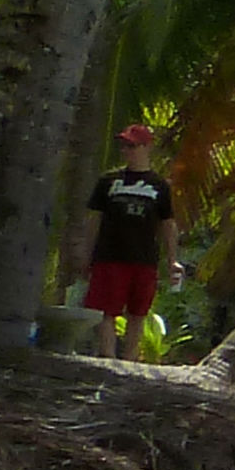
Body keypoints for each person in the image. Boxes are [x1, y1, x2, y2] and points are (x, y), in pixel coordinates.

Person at [76, 124, 179, 359]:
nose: (126, 150)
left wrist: (173, 260)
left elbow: (168, 224)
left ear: (146, 147)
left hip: (144, 259)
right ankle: (108, 358)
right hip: (109, 257)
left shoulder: (159, 186)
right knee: (106, 312)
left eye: (131, 146)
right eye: (123, 146)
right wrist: (86, 254)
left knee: (138, 314)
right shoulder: (108, 181)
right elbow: (94, 220)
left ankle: (130, 363)